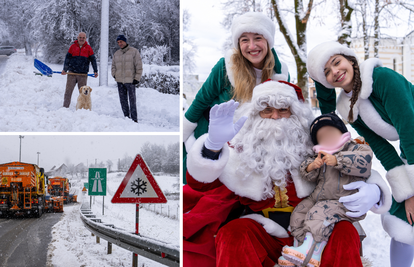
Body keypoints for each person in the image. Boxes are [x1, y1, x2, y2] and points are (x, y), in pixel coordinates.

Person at [183, 80, 391, 267]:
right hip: (264, 228)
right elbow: (202, 183)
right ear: (255, 114)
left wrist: (375, 189)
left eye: (283, 109)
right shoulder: (241, 145)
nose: (275, 116)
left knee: (345, 231)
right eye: (266, 110)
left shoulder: (314, 141)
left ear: (296, 114)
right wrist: (213, 145)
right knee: (233, 234)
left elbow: (352, 157)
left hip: (316, 227)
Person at [307, 41, 414, 267]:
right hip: (409, 150)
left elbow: (409, 130)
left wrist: (413, 192)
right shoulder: (348, 107)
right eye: (326, 72)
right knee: (402, 220)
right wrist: (405, 194)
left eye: (337, 62)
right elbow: (382, 147)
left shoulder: (383, 79)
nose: (335, 72)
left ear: (350, 60)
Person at [182, 12, 290, 182]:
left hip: (251, 143)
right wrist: (183, 135)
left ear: (268, 40)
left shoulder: (281, 73)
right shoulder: (226, 67)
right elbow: (200, 101)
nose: (252, 46)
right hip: (213, 138)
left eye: (258, 38)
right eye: (244, 40)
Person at [281, 113, 375, 267]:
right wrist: (313, 166)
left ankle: (313, 254)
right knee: (299, 213)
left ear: (341, 132)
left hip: (343, 201)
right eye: (322, 137)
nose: (328, 139)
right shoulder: (321, 155)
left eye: (331, 133)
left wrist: (338, 160)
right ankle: (300, 250)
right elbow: (307, 173)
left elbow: (364, 162)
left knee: (317, 213)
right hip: (321, 198)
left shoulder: (356, 147)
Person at [111, 34, 143, 123]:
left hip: (131, 81)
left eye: (121, 41)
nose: (119, 44)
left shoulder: (134, 52)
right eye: (118, 42)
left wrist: (137, 78)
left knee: (132, 101)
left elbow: (139, 66)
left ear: (125, 41)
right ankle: (126, 118)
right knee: (123, 100)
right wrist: (114, 75)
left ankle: (134, 119)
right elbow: (113, 66)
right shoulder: (116, 54)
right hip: (120, 81)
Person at [62, 32, 98, 108]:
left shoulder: (88, 48)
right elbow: (67, 58)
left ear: (86, 39)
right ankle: (65, 108)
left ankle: (83, 108)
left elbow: (93, 60)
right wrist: (64, 69)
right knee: (68, 91)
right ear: (77, 38)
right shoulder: (72, 47)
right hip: (72, 73)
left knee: (83, 93)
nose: (81, 39)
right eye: (80, 37)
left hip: (83, 75)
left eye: (83, 38)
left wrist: (95, 71)